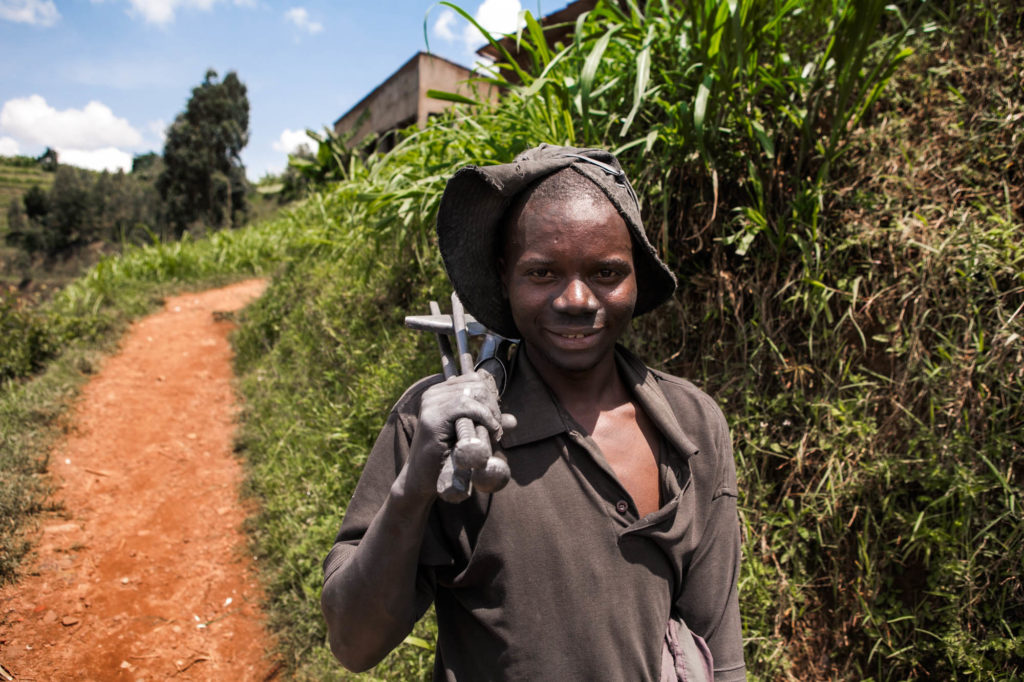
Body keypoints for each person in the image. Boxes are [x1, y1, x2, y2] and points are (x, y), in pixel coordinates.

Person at [321, 144, 746, 681]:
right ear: (505, 276)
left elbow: (717, 642)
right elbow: (354, 644)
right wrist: (414, 488)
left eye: (606, 272)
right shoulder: (445, 429)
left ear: (637, 277)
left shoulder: (691, 424)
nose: (575, 299)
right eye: (543, 273)